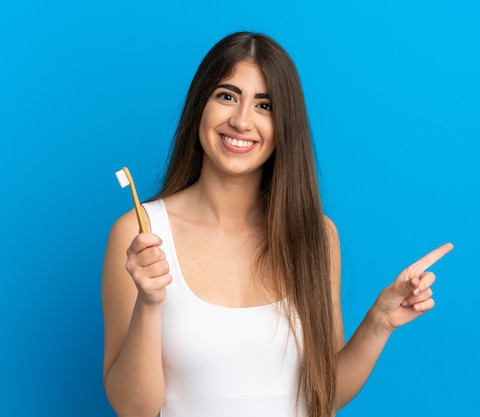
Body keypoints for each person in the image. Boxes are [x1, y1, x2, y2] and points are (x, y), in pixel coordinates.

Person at [101, 31, 453, 417]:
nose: (241, 120)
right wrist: (150, 304)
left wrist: (379, 323)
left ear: (285, 123)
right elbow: (133, 409)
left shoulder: (317, 236)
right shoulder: (140, 234)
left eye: (264, 105)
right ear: (199, 105)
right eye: (227, 95)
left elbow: (325, 395)